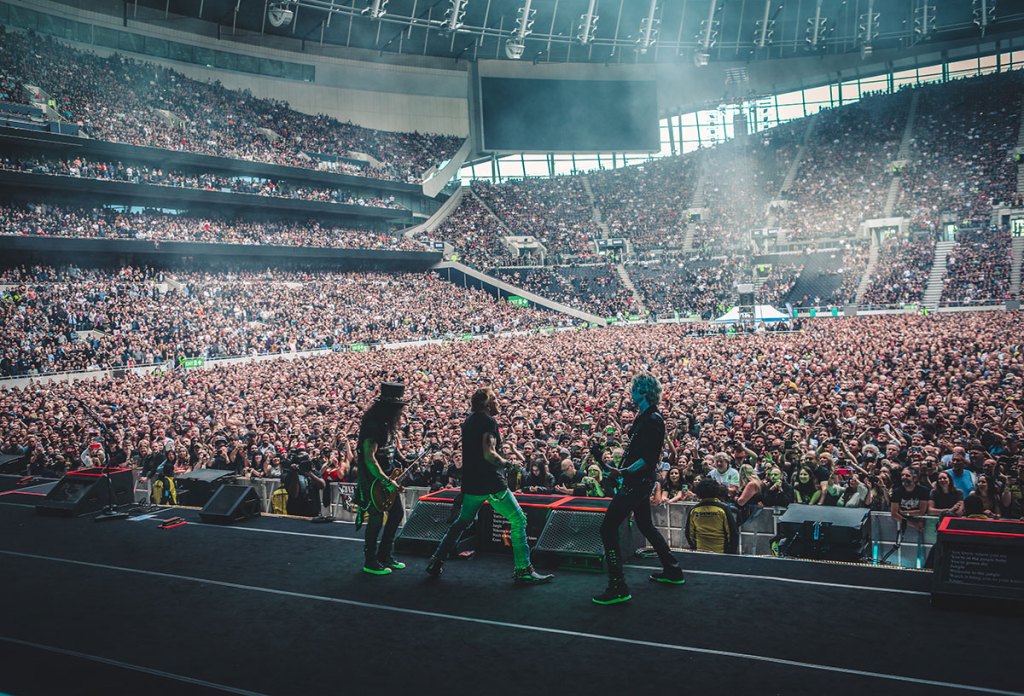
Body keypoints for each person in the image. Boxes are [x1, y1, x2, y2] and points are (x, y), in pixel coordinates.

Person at [426, 387, 553, 585]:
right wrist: (509, 463)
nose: (498, 402)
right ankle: (523, 569)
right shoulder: (488, 421)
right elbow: (489, 453)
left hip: (471, 482)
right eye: (494, 399)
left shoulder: (469, 421)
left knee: (462, 521)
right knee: (518, 519)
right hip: (492, 482)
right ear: (486, 403)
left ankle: (436, 560)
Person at [593, 373, 684, 606]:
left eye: (634, 388)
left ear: (643, 391)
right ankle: (672, 570)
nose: (630, 392)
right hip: (638, 481)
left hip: (638, 482)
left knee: (608, 528)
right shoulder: (644, 416)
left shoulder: (653, 418)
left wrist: (623, 473)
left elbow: (648, 458)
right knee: (645, 525)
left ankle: (618, 585)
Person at [356, 382, 411, 576]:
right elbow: (369, 458)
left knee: (396, 514)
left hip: (387, 476)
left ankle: (385, 555)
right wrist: (386, 480)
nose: (401, 411)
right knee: (377, 518)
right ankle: (370, 561)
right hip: (373, 479)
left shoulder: (387, 424)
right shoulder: (373, 425)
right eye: (399, 408)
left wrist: (402, 460)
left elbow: (388, 451)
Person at [685, 478, 738, 553]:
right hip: (721, 553)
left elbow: (689, 534)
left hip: (700, 552)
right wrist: (730, 553)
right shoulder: (723, 509)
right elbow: (732, 533)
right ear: (716, 491)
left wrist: (694, 547)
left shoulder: (694, 510)